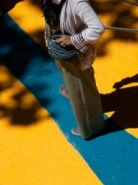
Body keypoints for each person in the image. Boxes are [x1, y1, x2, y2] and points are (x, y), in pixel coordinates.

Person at [45, 0, 106, 139]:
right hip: (61, 49)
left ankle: (91, 127)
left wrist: (73, 40)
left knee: (81, 88)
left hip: (75, 54)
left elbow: (98, 28)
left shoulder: (77, 3)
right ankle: (71, 90)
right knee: (75, 81)